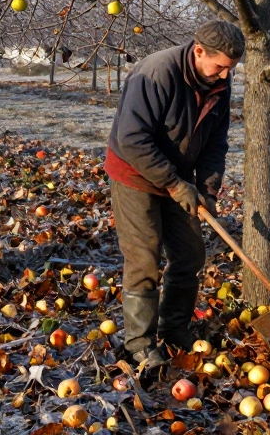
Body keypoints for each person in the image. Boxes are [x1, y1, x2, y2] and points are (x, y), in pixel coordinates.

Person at [105, 19, 244, 366]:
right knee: (144, 258)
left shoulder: (218, 84)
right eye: (220, 68)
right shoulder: (156, 73)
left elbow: (215, 143)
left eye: (231, 70)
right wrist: (174, 183)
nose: (225, 77)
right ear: (198, 51)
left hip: (177, 178)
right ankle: (139, 343)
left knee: (190, 254)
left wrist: (207, 189)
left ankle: (173, 330)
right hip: (135, 174)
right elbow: (132, 139)